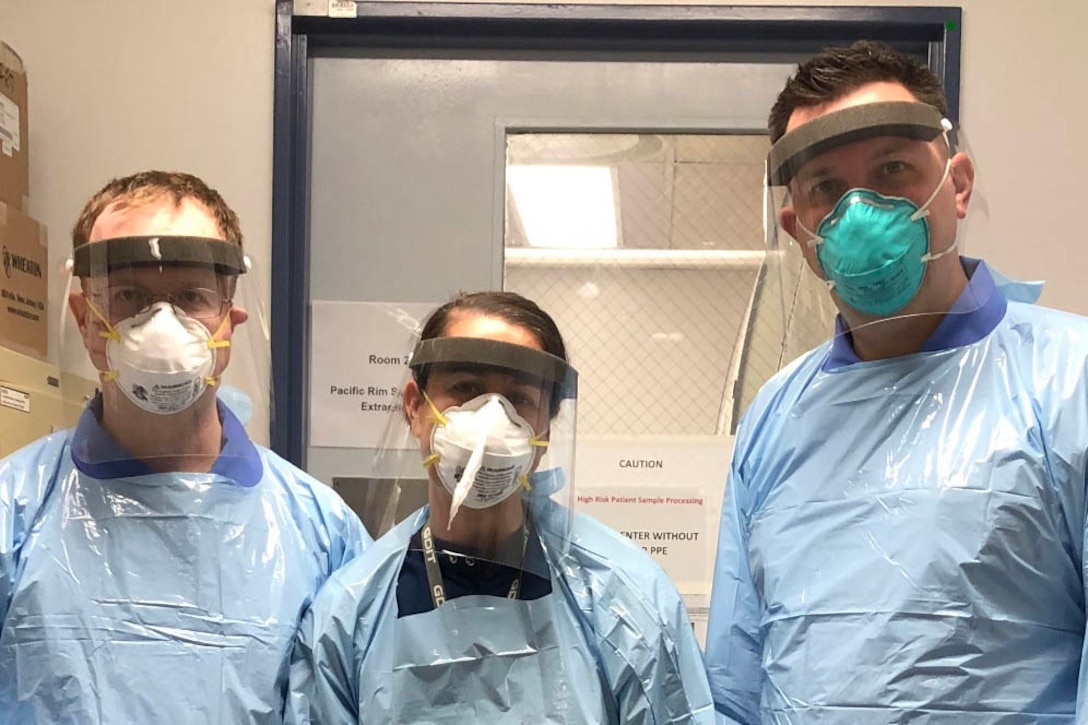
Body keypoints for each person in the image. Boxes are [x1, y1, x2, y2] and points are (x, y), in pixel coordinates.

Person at [705, 40, 1088, 723]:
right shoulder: (774, 415)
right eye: (826, 186)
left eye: (893, 169)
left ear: (957, 184)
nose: (862, 210)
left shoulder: (1070, 380)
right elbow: (738, 677)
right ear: (798, 228)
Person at [0, 170, 371, 723]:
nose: (162, 326)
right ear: (84, 319)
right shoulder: (15, 511)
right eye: (129, 296)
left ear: (229, 321)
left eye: (191, 297)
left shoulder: (321, 530)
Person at [285, 291, 714, 723]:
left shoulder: (624, 599)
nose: (491, 423)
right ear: (415, 406)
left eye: (519, 400)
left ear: (545, 427)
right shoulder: (350, 613)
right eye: (466, 390)